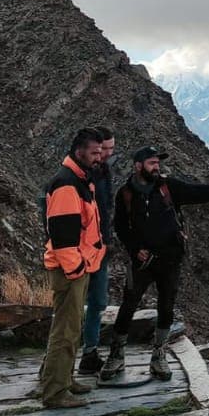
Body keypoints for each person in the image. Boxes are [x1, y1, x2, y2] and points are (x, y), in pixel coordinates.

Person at [102, 146, 209, 380]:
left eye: (157, 163)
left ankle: (159, 356)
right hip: (142, 263)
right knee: (129, 305)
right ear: (138, 166)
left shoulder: (169, 187)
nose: (156, 167)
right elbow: (120, 227)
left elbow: (201, 192)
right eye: (151, 163)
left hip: (170, 260)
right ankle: (116, 355)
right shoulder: (125, 194)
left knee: (166, 307)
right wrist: (135, 249)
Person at [40, 127, 107, 407]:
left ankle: (64, 380)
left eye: (101, 153)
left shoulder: (79, 180)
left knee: (72, 326)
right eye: (94, 153)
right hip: (71, 270)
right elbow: (63, 236)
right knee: (65, 330)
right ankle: (55, 393)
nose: (99, 158)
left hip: (78, 267)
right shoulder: (67, 185)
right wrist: (76, 270)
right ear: (79, 151)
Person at [78, 126, 117, 374]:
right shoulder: (77, 177)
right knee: (72, 307)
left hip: (100, 249)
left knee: (98, 302)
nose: (108, 154)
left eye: (112, 149)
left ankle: (89, 353)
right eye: (105, 149)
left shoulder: (103, 172)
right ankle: (53, 362)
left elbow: (106, 209)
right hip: (80, 250)